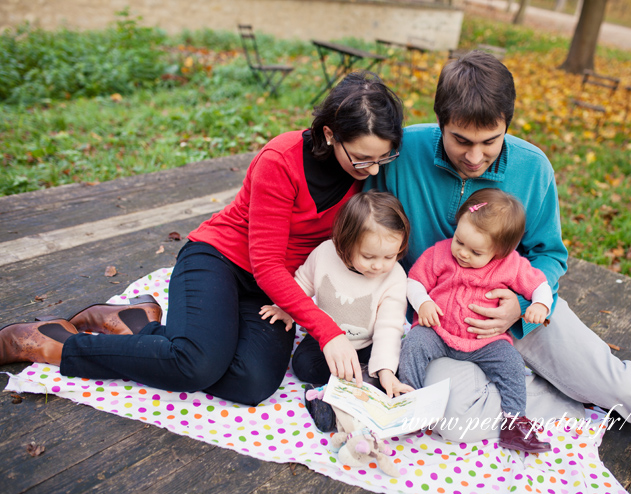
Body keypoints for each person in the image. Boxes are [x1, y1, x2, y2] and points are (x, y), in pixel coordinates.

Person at [367, 50, 631, 480]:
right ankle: (566, 400)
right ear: (440, 123)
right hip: (437, 328)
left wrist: (520, 305)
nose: (475, 157)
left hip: (518, 316)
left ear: (507, 125)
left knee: (619, 384)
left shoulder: (533, 167)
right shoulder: (404, 152)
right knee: (454, 415)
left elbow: (550, 253)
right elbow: (358, 207)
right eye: (461, 140)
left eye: (490, 141)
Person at [0, 71, 404, 406]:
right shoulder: (280, 160)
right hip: (220, 259)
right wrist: (327, 331)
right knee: (196, 364)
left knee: (252, 383)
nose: (371, 171)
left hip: (275, 290)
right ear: (331, 134)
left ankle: (139, 325)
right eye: (362, 158)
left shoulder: (361, 177)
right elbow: (263, 261)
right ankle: (50, 344)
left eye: (382, 159)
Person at [399, 188, 552, 453]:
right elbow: (414, 280)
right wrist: (422, 302)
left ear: (500, 252)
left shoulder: (511, 265)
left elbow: (540, 285)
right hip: (439, 332)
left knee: (511, 363)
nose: (463, 253)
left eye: (476, 251)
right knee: (413, 343)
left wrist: (540, 304)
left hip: (485, 341)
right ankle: (410, 402)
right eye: (459, 241)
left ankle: (514, 422)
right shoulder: (440, 253)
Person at [259, 190, 414, 399]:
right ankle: (353, 384)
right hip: (324, 341)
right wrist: (285, 309)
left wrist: (385, 371)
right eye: (368, 256)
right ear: (346, 243)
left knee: (389, 368)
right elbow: (303, 283)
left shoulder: (394, 276)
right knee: (303, 365)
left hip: (368, 344)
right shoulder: (325, 253)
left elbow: (388, 328)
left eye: (389, 256)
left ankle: (363, 382)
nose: (378, 266)